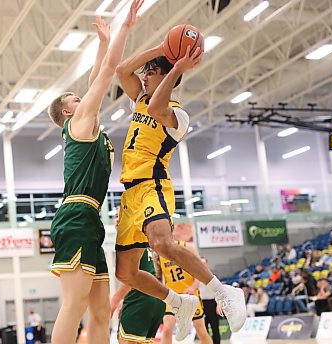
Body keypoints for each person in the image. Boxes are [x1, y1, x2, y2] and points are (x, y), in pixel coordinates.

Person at [114, 28, 245, 340]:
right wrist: (161, 47)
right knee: (126, 273)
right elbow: (121, 70)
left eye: (150, 72)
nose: (143, 77)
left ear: (164, 76)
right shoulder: (140, 99)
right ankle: (178, 302)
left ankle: (224, 291)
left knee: (161, 243)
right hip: (129, 193)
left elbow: (159, 109)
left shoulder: (178, 115)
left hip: (152, 185)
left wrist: (175, 67)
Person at [46, 2, 144, 343]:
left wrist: (102, 43)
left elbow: (97, 75)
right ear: (67, 112)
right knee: (73, 306)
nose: (82, 97)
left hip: (89, 219)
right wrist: (124, 29)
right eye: (75, 98)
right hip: (74, 217)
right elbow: (107, 73)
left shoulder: (86, 124)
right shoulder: (79, 122)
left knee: (101, 311)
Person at [154, 241, 213, 344]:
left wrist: (193, 287)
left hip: (190, 296)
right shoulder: (158, 253)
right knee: (167, 328)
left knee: (201, 330)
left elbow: (201, 270)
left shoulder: (187, 247)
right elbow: (158, 277)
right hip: (172, 297)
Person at [111, 249, 165, 343]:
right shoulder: (143, 243)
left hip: (140, 299)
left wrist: (112, 303)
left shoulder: (128, 240)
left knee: (125, 341)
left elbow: (130, 278)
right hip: (155, 299)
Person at [199, 258, 221, 344]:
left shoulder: (212, 276)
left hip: (212, 303)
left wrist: (218, 304)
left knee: (215, 327)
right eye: (201, 263)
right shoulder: (196, 277)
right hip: (201, 304)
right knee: (203, 328)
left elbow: (218, 291)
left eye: (204, 263)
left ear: (207, 264)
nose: (203, 264)